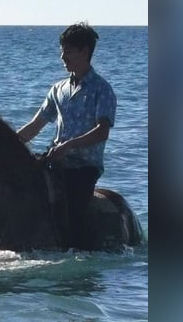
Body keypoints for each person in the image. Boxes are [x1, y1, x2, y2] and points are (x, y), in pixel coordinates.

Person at [16, 22, 117, 250]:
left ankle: (81, 251)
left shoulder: (102, 90)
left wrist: (69, 146)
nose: (63, 57)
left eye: (68, 51)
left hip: (83, 168)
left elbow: (102, 132)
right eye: (62, 50)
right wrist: (6, 144)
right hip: (54, 162)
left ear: (84, 52)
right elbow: (36, 124)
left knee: (73, 215)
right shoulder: (58, 89)